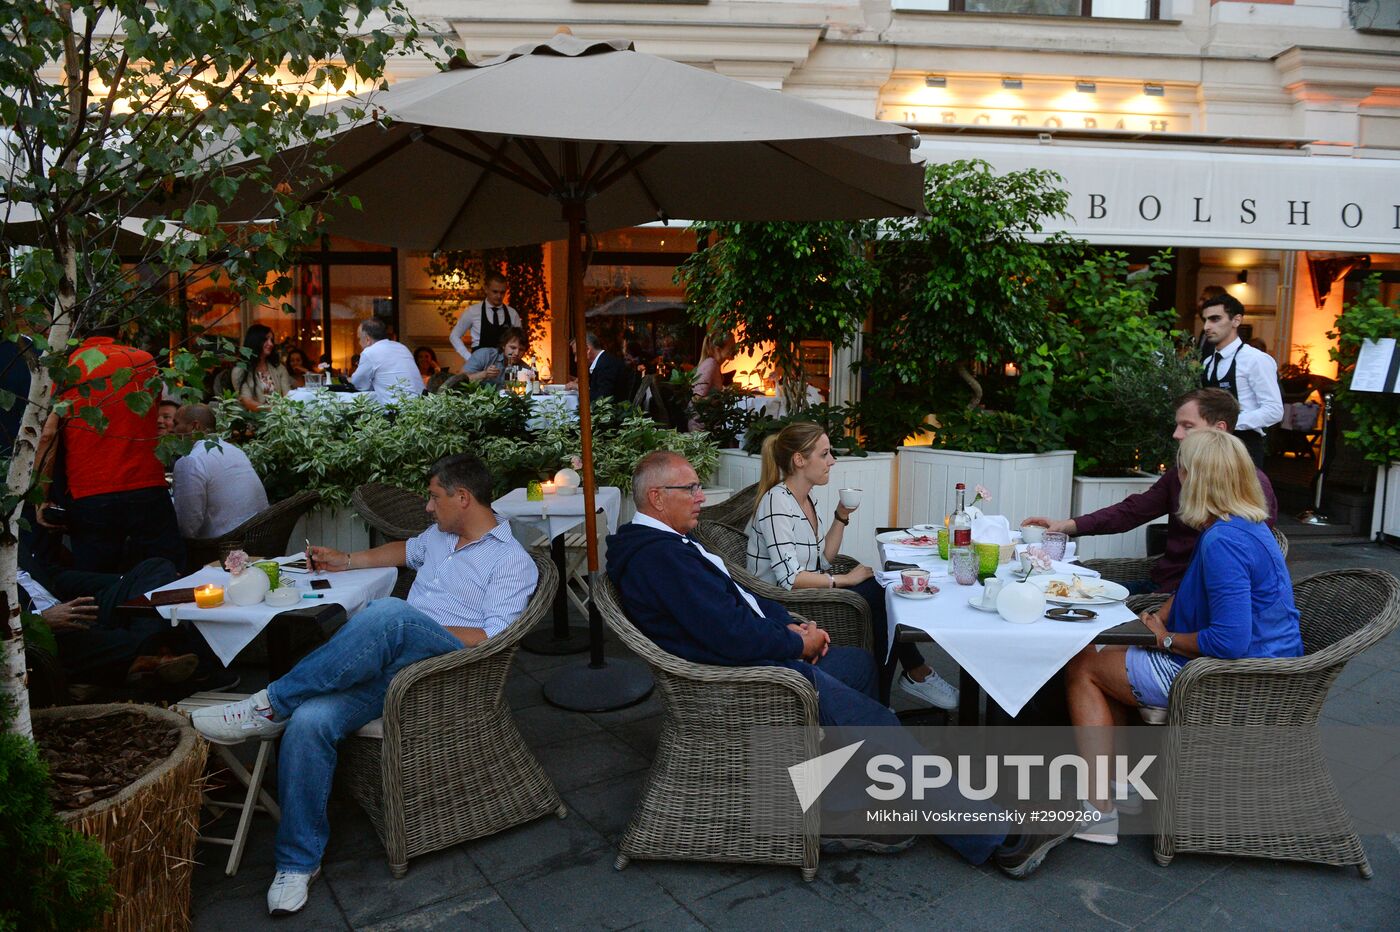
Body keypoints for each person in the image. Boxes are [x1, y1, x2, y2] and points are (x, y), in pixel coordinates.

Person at [606, 451, 1070, 877]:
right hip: (740, 685)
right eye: (691, 489)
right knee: (875, 721)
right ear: (656, 497)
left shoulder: (668, 543)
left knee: (859, 666)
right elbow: (725, 635)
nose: (701, 497)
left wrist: (794, 626)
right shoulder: (658, 557)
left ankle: (847, 802)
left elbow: (740, 605)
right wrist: (794, 646)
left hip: (758, 654)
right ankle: (998, 837)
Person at [191, 453, 538, 916]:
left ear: (463, 497)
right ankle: (297, 862)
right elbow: (404, 550)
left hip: (444, 671)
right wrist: (346, 559)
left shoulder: (510, 560)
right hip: (391, 669)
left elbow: (493, 640)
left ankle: (270, 702)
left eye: (434, 498)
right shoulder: (440, 535)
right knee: (311, 720)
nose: (428, 508)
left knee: (389, 614)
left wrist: (415, 623)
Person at [1064, 428, 1302, 845]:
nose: (1179, 479)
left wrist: (1164, 639)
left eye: (1183, 470)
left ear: (1198, 479)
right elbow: (1200, 591)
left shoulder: (1223, 541)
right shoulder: (1244, 524)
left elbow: (1229, 641)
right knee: (1101, 649)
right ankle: (1120, 788)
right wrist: (1156, 618)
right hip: (1266, 664)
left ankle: (1098, 812)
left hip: (1235, 679)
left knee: (1083, 667)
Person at [746, 422, 958, 710]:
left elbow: (823, 559)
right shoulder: (776, 502)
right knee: (882, 597)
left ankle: (900, 683)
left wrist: (841, 516)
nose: (832, 460)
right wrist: (844, 580)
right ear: (799, 459)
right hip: (784, 604)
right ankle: (910, 676)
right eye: (824, 454)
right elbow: (791, 579)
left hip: (806, 592)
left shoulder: (805, 499)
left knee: (884, 593)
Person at [1023, 388, 1278, 595]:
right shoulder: (1180, 474)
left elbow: (1246, 572)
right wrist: (1066, 525)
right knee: (1052, 591)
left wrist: (1167, 629)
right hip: (1159, 585)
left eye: (1187, 426)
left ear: (1219, 429)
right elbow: (1132, 511)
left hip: (1182, 600)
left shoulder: (1251, 486)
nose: (1176, 434)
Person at [35, 326, 183, 573]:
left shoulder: (66, 369)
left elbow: (47, 434)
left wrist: (42, 496)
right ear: (121, 333)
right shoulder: (143, 360)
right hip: (146, 485)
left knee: (98, 581)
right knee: (168, 575)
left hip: (91, 491)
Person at [1199, 292, 1282, 468]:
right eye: (1205, 320)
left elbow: (1274, 410)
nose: (1207, 326)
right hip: (1211, 447)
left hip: (1245, 448)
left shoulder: (1255, 359)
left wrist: (1230, 423)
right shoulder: (1207, 362)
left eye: (1215, 319)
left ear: (1236, 320)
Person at [171, 404, 269, 539]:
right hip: (260, 535)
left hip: (223, 547)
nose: (172, 429)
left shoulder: (190, 460)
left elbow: (187, 527)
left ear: (195, 427)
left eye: (176, 424)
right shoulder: (234, 450)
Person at [449, 273, 521, 366]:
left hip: (505, 366)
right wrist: (469, 358)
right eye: (495, 292)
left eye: (502, 292)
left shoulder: (512, 313)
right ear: (486, 289)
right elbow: (454, 336)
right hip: (479, 365)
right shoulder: (473, 311)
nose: (499, 296)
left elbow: (520, 341)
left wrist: (513, 360)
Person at [349, 318, 424, 403]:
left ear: (367, 340)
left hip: (399, 409)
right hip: (421, 406)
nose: (359, 343)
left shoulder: (369, 352)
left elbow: (359, 384)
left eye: (359, 339)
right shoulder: (402, 347)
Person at [231, 324, 294, 412]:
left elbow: (288, 396)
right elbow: (248, 402)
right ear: (255, 341)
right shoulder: (240, 370)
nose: (271, 344)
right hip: (253, 420)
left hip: (280, 419)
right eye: (266, 339)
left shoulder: (278, 367)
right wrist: (276, 411)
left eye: (271, 340)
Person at [688, 330, 738, 431]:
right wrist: (722, 398)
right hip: (701, 428)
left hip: (710, 423)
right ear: (718, 349)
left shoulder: (715, 365)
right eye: (731, 347)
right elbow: (696, 399)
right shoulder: (710, 364)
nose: (735, 349)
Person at [566, 332, 627, 403]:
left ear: (588, 350)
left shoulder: (606, 365)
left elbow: (602, 399)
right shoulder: (602, 361)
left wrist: (579, 387)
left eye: (577, 354)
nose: (575, 360)